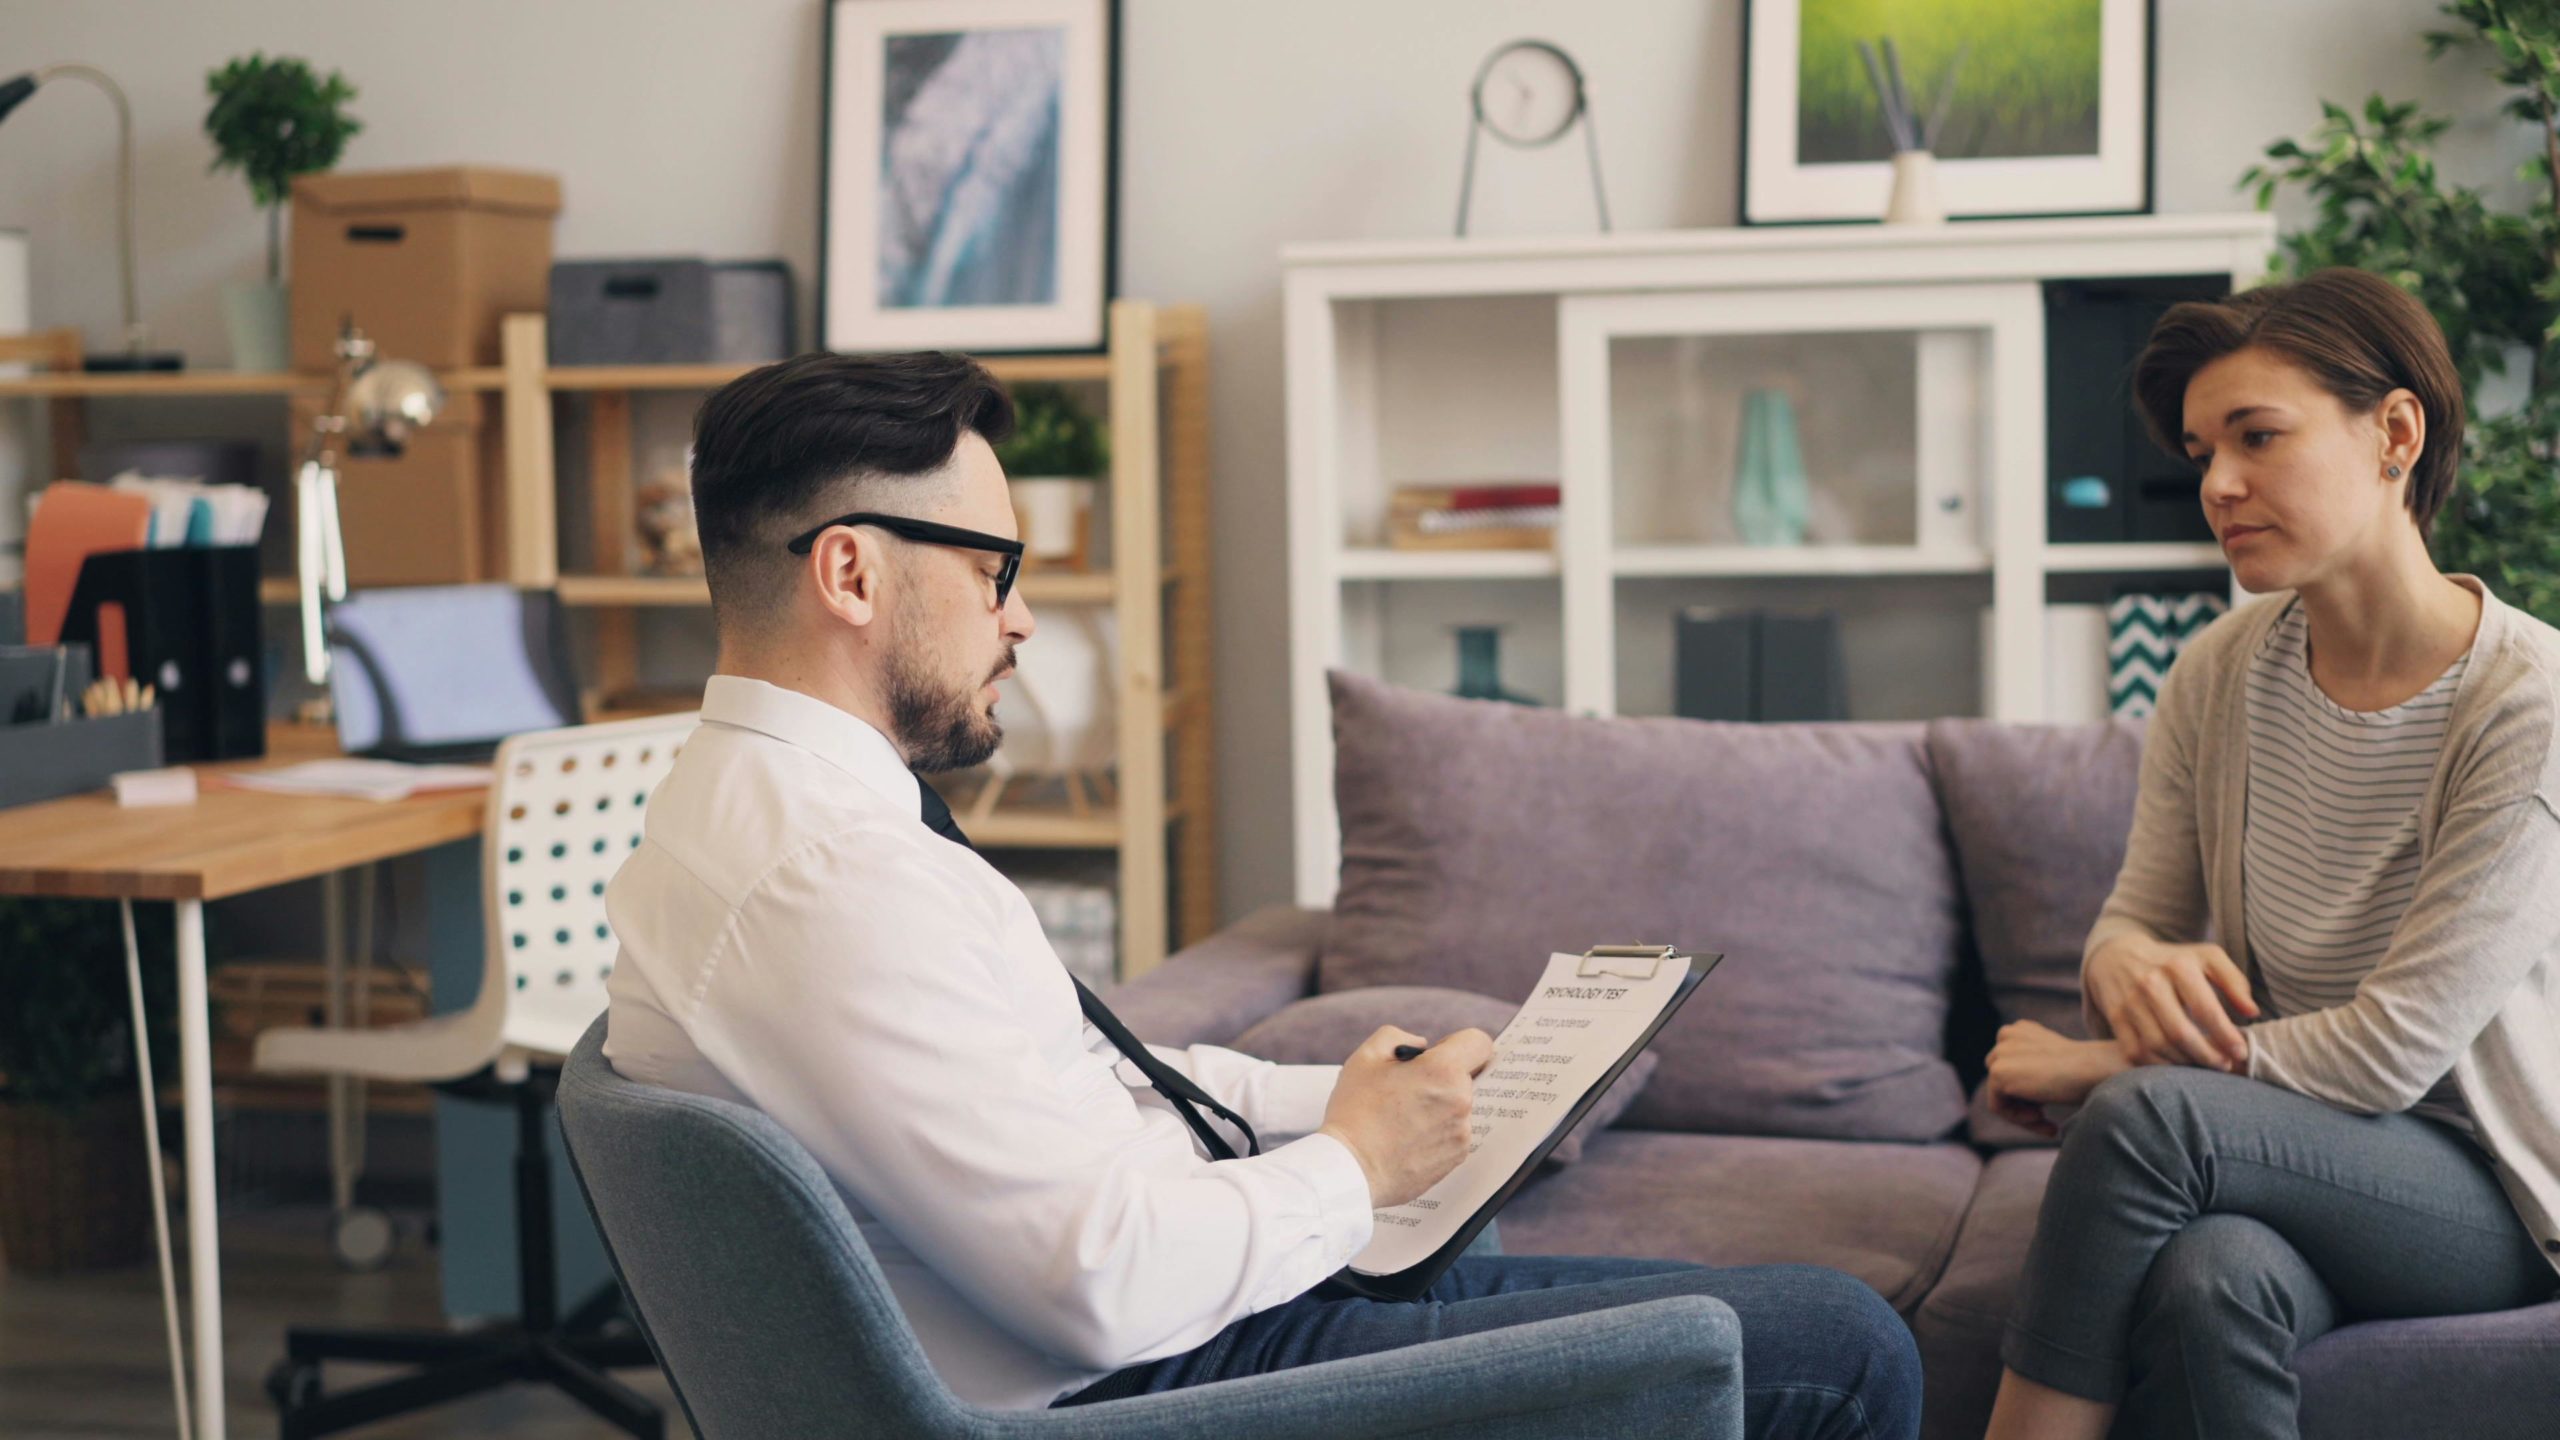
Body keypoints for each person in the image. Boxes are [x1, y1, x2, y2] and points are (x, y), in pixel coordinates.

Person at [600, 349, 1921, 1439]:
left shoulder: (762, 815)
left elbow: (1071, 1083)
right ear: (851, 573)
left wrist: (1360, 1098)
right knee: (1840, 1344)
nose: (1020, 622)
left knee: (1762, 1307)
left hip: (1153, 1340)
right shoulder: (827, 879)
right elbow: (1102, 1286)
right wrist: (1358, 1162)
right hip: (1141, 1393)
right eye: (994, 571)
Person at [1978, 268, 2560, 1440]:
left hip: (2486, 1186)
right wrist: (2125, 970)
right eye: (2201, 451)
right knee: (2211, 1281)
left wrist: (2103, 1069)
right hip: (2289, 1158)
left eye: (2257, 436)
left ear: (2396, 433)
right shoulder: (2219, 670)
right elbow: (2131, 917)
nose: (2218, 484)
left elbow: (2395, 1051)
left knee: (2149, 1123)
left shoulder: (2528, 706)